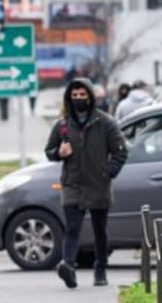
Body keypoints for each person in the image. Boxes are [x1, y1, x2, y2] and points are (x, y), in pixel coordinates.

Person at [45, 77, 128, 289]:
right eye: (74, 96)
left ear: (90, 97)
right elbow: (49, 151)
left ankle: (100, 270)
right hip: (72, 183)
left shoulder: (105, 122)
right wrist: (59, 153)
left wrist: (108, 173)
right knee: (72, 228)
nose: (78, 99)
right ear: (69, 99)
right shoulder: (62, 125)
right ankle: (69, 267)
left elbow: (121, 151)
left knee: (100, 230)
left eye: (82, 95)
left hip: (98, 184)